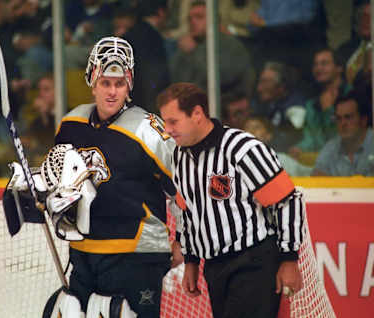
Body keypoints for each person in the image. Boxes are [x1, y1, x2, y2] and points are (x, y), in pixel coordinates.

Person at [41, 36, 178, 317]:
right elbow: (58, 178)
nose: (113, 92)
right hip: (84, 251)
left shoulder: (148, 130)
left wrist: (185, 243)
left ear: (130, 85)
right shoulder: (71, 124)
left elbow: (184, 189)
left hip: (137, 254)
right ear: (92, 81)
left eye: (120, 83)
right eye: (106, 82)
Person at [157, 82, 304, 318]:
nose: (167, 129)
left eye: (173, 121)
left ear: (197, 114)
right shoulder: (179, 155)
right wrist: (192, 260)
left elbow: (287, 201)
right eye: (165, 121)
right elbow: (187, 212)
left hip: (253, 262)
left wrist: (289, 259)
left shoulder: (242, 148)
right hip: (214, 267)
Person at [312, 92, 374, 176]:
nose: (343, 123)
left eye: (348, 117)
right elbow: (317, 178)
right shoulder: (331, 147)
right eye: (338, 118)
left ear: (363, 120)